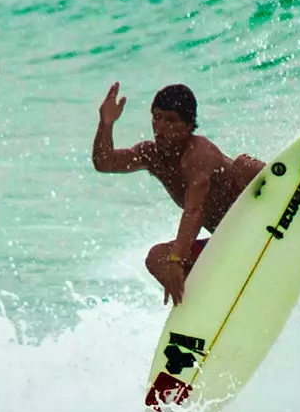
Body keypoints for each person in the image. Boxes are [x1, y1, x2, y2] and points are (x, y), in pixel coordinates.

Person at [92, 82, 265, 305]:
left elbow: (195, 210)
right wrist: (106, 124)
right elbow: (104, 162)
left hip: (260, 219)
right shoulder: (150, 155)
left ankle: (296, 188)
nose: (160, 127)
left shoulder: (199, 154)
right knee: (156, 258)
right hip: (227, 242)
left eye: (170, 120)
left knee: (244, 165)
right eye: (156, 117)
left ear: (189, 125)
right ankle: (205, 303)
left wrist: (177, 258)